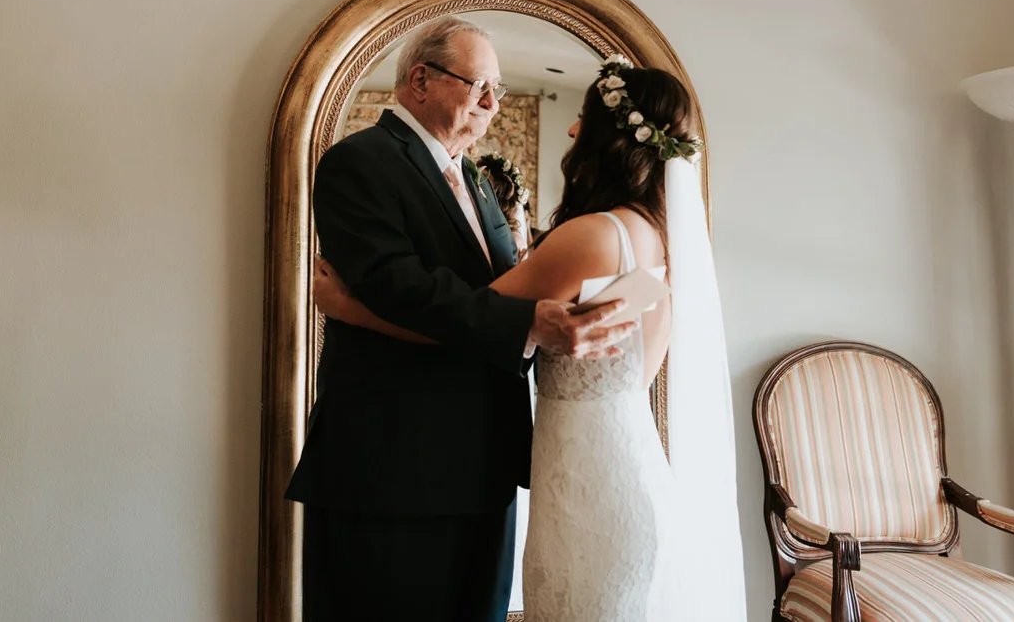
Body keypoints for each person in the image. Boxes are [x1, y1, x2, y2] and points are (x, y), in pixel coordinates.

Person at [316, 54, 748, 622]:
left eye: (584, 118)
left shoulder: (589, 237)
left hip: (583, 484)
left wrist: (352, 308)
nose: (572, 128)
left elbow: (476, 318)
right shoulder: (653, 235)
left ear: (609, 137)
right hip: (624, 463)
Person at [285, 17, 633, 622]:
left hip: (483, 469)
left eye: (496, 90)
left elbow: (493, 289)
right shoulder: (360, 162)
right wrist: (531, 323)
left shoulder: (472, 176)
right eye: (482, 86)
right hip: (393, 470)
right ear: (421, 80)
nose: (495, 104)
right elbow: (402, 288)